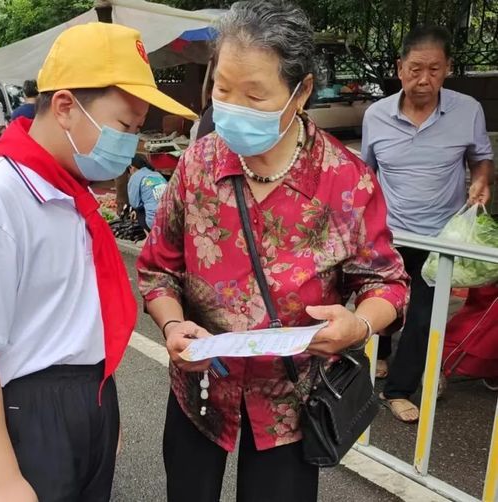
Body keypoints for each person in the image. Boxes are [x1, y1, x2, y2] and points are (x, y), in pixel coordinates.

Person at [136, 2, 409, 501]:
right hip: (200, 389)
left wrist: (359, 325)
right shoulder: (199, 163)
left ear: (300, 91)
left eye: (255, 95)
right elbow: (158, 268)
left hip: (290, 403)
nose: (233, 107)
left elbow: (386, 282)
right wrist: (173, 326)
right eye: (222, 90)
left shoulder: (345, 180)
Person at [0, 22, 197, 502]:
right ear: (65, 107)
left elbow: (78, 313)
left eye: (138, 130)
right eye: (125, 126)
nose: (131, 142)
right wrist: (2, 479)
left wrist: (98, 417)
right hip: (22, 420)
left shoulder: (67, 191)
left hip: (86, 402)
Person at [361, 26, 495, 423]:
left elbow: (481, 157)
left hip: (442, 237)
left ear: (448, 69)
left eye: (434, 70)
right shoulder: (376, 115)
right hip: (389, 232)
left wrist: (483, 179)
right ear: (400, 68)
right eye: (415, 69)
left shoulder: (467, 109)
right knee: (387, 304)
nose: (424, 80)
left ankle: (398, 389)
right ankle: (382, 354)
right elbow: (366, 173)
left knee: (421, 315)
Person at [127, 154, 167, 231]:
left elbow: (134, 203)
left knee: (139, 211)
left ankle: (149, 236)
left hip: (155, 221)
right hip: (171, 217)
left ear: (131, 167)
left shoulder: (135, 177)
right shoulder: (157, 174)